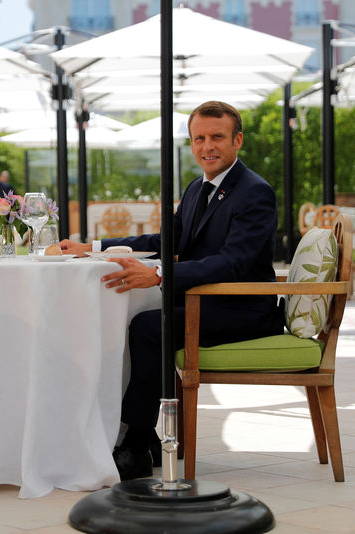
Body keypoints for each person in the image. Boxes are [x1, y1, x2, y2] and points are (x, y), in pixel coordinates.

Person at [60, 101, 283, 480]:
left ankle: (135, 444)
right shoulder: (198, 188)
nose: (207, 146)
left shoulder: (254, 192)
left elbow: (233, 263)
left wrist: (161, 275)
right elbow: (164, 239)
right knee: (140, 320)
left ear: (237, 140)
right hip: (205, 302)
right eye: (199, 138)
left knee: (150, 328)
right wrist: (94, 246)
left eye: (217, 137)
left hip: (244, 310)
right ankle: (142, 437)